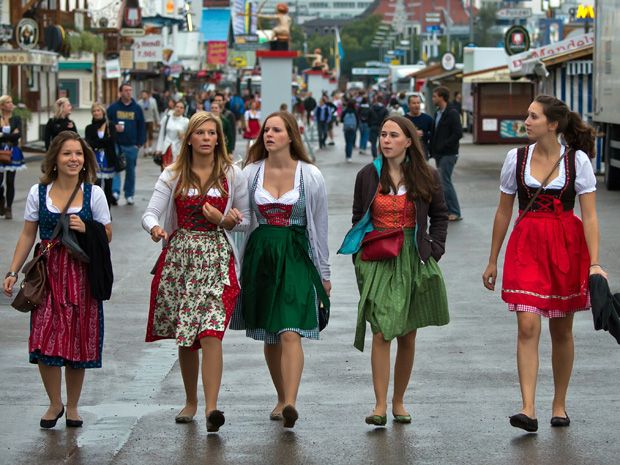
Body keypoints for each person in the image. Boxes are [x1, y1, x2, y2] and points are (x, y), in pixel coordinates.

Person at [482, 95, 607, 433]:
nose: (527, 120)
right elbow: (503, 210)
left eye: (533, 116)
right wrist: (492, 259)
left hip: (566, 245)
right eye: (528, 115)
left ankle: (559, 404)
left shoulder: (577, 161)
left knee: (561, 330)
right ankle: (527, 408)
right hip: (527, 245)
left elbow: (591, 216)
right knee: (527, 325)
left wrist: (595, 263)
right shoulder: (516, 158)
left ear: (553, 124)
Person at [338, 115, 449, 427]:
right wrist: (360, 256)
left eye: (393, 135)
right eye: (383, 134)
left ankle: (399, 400)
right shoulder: (367, 175)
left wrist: (435, 248)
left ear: (408, 141)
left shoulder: (427, 174)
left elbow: (440, 215)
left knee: (408, 334)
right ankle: (379, 404)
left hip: (413, 256)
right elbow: (358, 216)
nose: (386, 140)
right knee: (382, 330)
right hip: (379, 257)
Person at [143, 112, 249, 433]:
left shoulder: (232, 174)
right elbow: (149, 213)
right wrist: (156, 228)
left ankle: (212, 408)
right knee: (187, 335)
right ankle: (191, 401)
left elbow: (244, 219)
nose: (206, 138)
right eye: (200, 133)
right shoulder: (173, 173)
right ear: (189, 138)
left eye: (211, 133)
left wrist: (226, 220)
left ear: (219, 139)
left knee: (211, 330)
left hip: (217, 256)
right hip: (182, 259)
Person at [3, 131, 112, 429]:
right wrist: (13, 271)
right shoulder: (40, 194)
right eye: (67, 154)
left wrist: (85, 226)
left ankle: (73, 406)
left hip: (81, 275)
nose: (73, 159)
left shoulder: (95, 193)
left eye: (78, 153)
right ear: (55, 159)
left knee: (77, 340)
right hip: (48, 273)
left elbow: (107, 234)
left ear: (85, 159)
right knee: (43, 337)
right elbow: (28, 234)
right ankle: (54, 403)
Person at [233, 111, 331, 429]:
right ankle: (280, 396)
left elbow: (320, 227)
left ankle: (291, 401)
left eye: (276, 129)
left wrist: (324, 274)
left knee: (291, 330)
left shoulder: (311, 175)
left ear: (291, 136)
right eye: (266, 130)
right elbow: (245, 220)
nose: (269, 134)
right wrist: (227, 220)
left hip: (296, 254)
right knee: (270, 333)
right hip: (261, 256)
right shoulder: (250, 173)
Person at [107, 83, 146, 205]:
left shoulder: (136, 108)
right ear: (121, 92)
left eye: (130, 90)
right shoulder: (113, 108)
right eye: (126, 90)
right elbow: (106, 123)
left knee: (130, 171)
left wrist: (139, 143)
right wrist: (114, 127)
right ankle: (115, 192)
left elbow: (141, 126)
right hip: (117, 143)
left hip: (132, 145)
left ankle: (129, 194)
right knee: (116, 168)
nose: (128, 92)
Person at [430, 86, 463, 221]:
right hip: (439, 154)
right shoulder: (438, 113)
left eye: (434, 96)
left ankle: (455, 211)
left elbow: (458, 133)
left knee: (445, 181)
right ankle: (447, 210)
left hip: (449, 153)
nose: (432, 99)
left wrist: (443, 145)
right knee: (441, 182)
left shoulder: (452, 112)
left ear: (441, 97)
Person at [85, 103, 118, 206]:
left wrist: (98, 142)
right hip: (95, 159)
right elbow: (89, 142)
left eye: (98, 110)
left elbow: (111, 141)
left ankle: (107, 212)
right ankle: (96, 211)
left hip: (108, 159)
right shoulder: (89, 127)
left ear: (103, 112)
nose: (96, 113)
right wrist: (103, 142)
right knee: (96, 187)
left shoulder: (110, 125)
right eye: (94, 111)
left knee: (108, 188)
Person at [0, 95, 25, 220]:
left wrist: (3, 134)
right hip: (0, 151)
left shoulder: (16, 119)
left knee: (10, 181)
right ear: (2, 105)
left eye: (11, 102)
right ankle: (1, 199)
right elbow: (13, 135)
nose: (11, 104)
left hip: (13, 150)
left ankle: (9, 208)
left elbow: (18, 135)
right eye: (8, 102)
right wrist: (10, 134)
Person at [156, 100, 189, 167]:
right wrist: (158, 148)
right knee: (166, 171)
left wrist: (183, 137)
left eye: (181, 107)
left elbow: (189, 137)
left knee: (176, 171)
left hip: (178, 149)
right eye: (177, 107)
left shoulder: (186, 121)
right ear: (174, 108)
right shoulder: (167, 118)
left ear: (184, 110)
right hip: (166, 147)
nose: (179, 109)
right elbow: (161, 134)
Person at [404, 94, 434, 158]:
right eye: (414, 103)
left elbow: (434, 134)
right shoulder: (404, 120)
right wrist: (412, 134)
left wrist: (424, 134)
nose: (416, 105)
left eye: (418, 103)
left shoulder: (428, 119)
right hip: (407, 152)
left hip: (423, 151)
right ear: (408, 105)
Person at [138, 90, 160, 156]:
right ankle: (145, 150)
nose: (143, 96)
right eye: (142, 94)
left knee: (150, 135)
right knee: (144, 136)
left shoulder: (152, 101)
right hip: (143, 121)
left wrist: (158, 121)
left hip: (150, 120)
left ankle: (150, 149)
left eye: (145, 94)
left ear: (147, 95)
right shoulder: (139, 103)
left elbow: (155, 111)